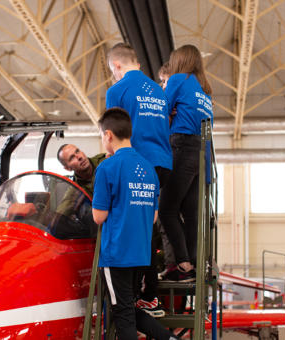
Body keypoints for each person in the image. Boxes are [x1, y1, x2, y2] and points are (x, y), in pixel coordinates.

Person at [92, 108, 177, 340]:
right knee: (128, 308)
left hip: (117, 253)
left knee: (123, 313)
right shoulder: (149, 168)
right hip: (140, 254)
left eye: (101, 136)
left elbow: (98, 216)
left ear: (108, 135)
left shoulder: (107, 168)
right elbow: (153, 217)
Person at [106, 42, 172, 316]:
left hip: (137, 163)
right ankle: (149, 294)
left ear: (117, 66)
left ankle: (139, 293)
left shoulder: (117, 90)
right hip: (164, 164)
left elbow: (111, 134)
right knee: (148, 226)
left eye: (113, 70)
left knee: (129, 226)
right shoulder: (158, 90)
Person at [159, 44, 213, 282]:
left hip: (180, 144)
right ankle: (194, 262)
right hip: (200, 152)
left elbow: (162, 110)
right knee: (191, 213)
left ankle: (182, 264)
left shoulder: (178, 80)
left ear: (178, 61)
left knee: (167, 209)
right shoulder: (204, 89)